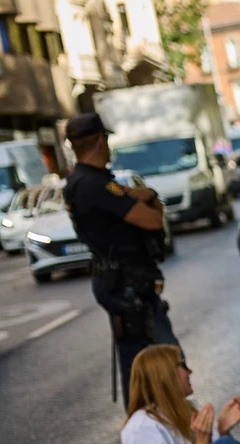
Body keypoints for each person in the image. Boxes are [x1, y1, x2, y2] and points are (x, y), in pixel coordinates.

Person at [64, 112, 175, 398]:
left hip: (121, 280)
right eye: (107, 139)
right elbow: (151, 220)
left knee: (145, 360)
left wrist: (145, 192)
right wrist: (151, 198)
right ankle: (149, 430)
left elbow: (125, 194)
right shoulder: (94, 185)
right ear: (101, 140)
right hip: (127, 283)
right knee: (156, 363)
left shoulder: (87, 181)